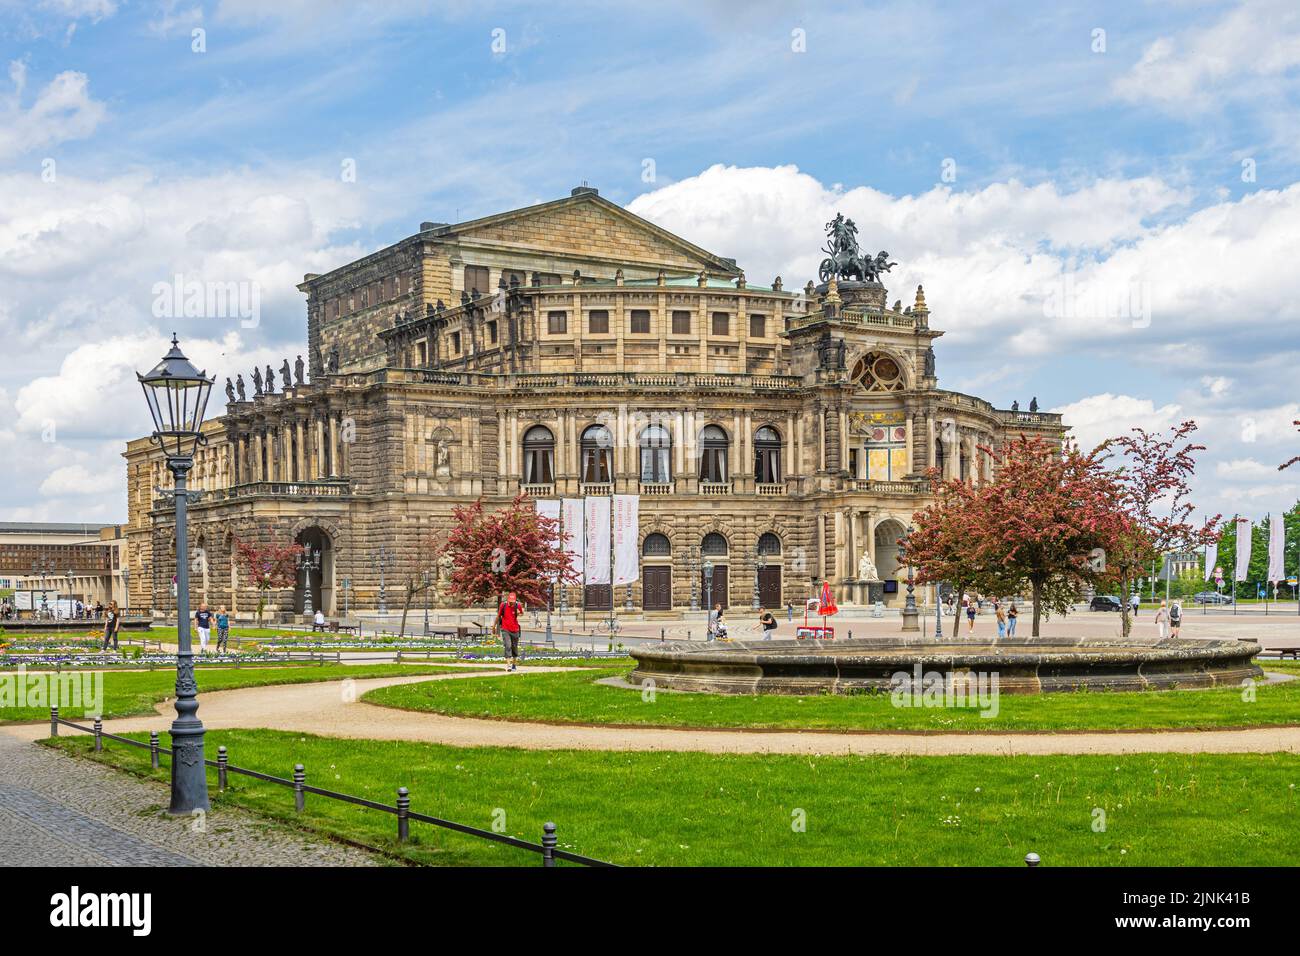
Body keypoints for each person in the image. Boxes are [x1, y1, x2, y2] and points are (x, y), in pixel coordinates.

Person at [497, 591, 524, 670]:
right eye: (510, 602)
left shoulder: (518, 605)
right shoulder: (503, 605)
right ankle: (508, 666)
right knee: (508, 645)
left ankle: (514, 665)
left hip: (515, 629)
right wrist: (494, 627)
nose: (511, 603)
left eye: (513, 602)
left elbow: (522, 613)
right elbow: (499, 616)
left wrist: (519, 613)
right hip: (505, 629)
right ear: (508, 600)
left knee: (514, 647)